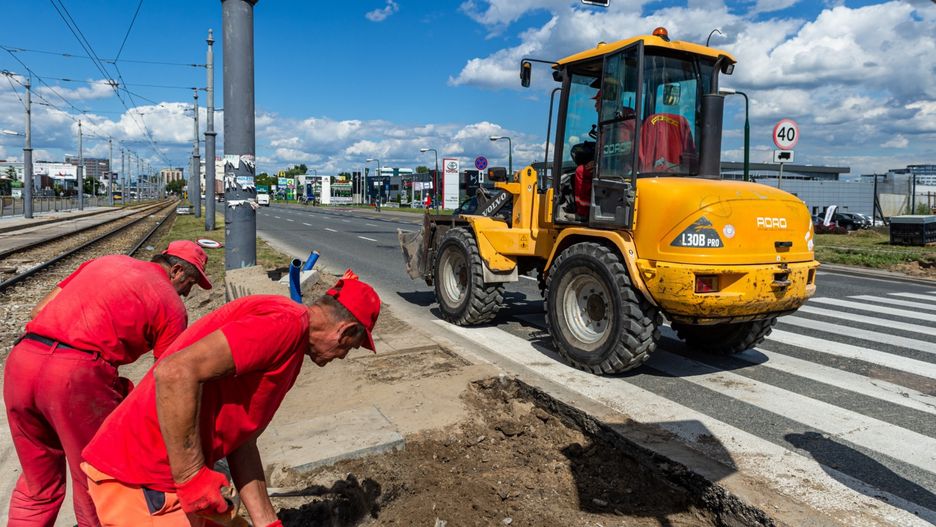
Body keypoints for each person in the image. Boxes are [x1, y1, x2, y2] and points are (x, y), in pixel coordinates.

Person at [80, 271, 381, 527]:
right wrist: (192, 477)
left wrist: (268, 522)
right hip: (141, 477)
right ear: (346, 331)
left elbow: (241, 442)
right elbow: (174, 372)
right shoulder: (284, 325)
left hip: (164, 480)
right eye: (350, 348)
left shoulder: (291, 342)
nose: (342, 357)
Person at [4, 240, 212, 527]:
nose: (188, 293)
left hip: (22, 362)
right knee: (95, 477)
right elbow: (167, 380)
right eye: (190, 284)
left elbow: (38, 310)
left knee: (38, 483)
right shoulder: (172, 305)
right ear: (176, 270)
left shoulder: (104, 262)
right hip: (75, 376)